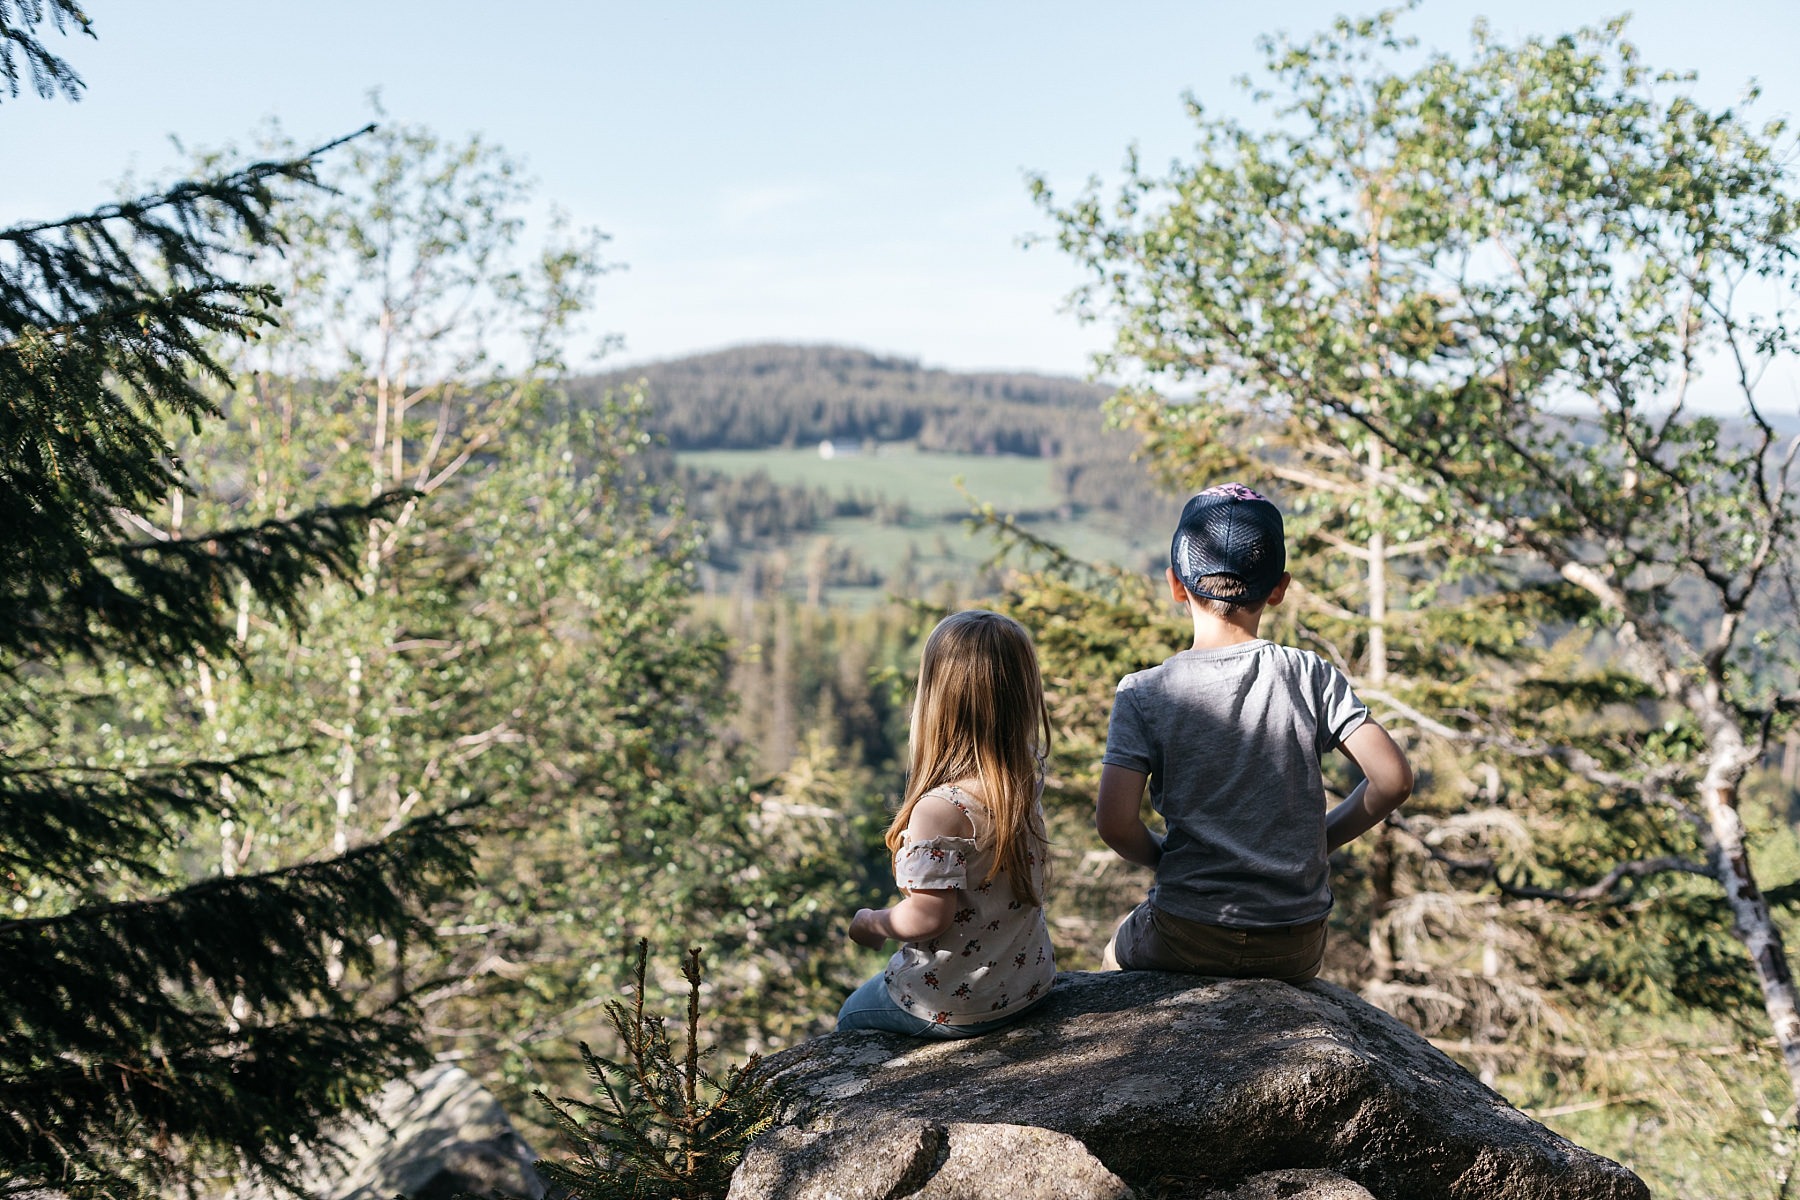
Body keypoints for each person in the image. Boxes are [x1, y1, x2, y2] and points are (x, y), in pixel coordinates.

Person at [1096, 483, 1413, 983]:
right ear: (1279, 589)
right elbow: (1393, 780)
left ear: (1177, 585)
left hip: (1187, 931)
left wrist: (1168, 862)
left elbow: (1115, 823)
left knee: (1114, 956)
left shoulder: (1144, 693)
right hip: (1296, 942)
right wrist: (1318, 842)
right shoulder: (1310, 674)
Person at [838, 609, 1057, 1037]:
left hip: (956, 1003)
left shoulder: (940, 809)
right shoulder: (1021, 784)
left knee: (851, 1016)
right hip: (1029, 985)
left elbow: (927, 918)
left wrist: (870, 922)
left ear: (936, 702)